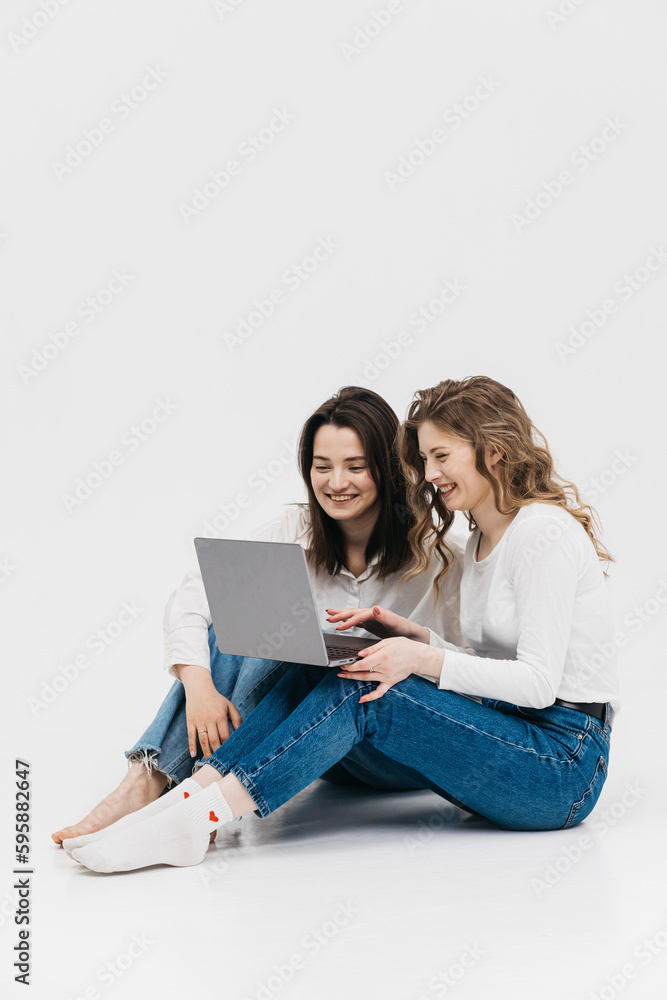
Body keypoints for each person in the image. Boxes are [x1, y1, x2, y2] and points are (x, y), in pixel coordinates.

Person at [65, 375, 621, 874]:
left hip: (564, 763)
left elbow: (540, 685)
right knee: (332, 655)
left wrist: (419, 658)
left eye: (440, 457)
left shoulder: (540, 534)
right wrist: (415, 638)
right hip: (505, 733)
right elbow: (485, 664)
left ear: (493, 453)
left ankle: (192, 813)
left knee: (370, 690)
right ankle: (187, 801)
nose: (428, 475)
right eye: (423, 460)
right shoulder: (477, 541)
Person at [53, 385, 466, 847]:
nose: (336, 483)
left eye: (355, 466)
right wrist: (199, 686)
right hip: (320, 753)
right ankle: (147, 782)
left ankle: (185, 796)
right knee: (238, 625)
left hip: (389, 746)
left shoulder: (437, 555)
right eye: (322, 466)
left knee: (287, 644)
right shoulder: (297, 529)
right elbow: (194, 598)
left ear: (387, 471)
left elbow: (468, 664)